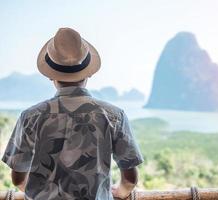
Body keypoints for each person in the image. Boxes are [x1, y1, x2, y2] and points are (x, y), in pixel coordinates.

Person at [1, 27, 144, 200]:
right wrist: (117, 193)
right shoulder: (114, 115)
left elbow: (18, 178)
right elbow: (130, 178)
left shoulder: (30, 117)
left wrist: (40, 192)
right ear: (89, 73)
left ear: (50, 76)